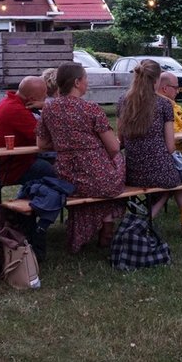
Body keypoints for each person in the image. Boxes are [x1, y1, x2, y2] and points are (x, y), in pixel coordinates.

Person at [36, 62, 126, 253]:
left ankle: (97, 228)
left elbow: (41, 145)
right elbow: (114, 147)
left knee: (91, 188)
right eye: (86, 79)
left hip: (67, 178)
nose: (87, 83)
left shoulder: (49, 109)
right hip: (98, 176)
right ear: (77, 82)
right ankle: (107, 223)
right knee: (117, 165)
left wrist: (64, 143)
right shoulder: (91, 109)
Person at [117, 60, 182, 235]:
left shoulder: (123, 101)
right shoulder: (164, 104)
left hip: (132, 170)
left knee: (174, 175)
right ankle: (149, 219)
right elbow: (171, 147)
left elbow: (121, 139)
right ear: (157, 80)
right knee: (178, 177)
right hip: (159, 169)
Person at [0, 76, 56, 185]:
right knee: (59, 171)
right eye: (44, 94)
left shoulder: (9, 102)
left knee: (53, 162)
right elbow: (45, 138)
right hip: (10, 170)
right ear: (32, 99)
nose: (46, 96)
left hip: (1, 165)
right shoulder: (17, 110)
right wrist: (49, 109)